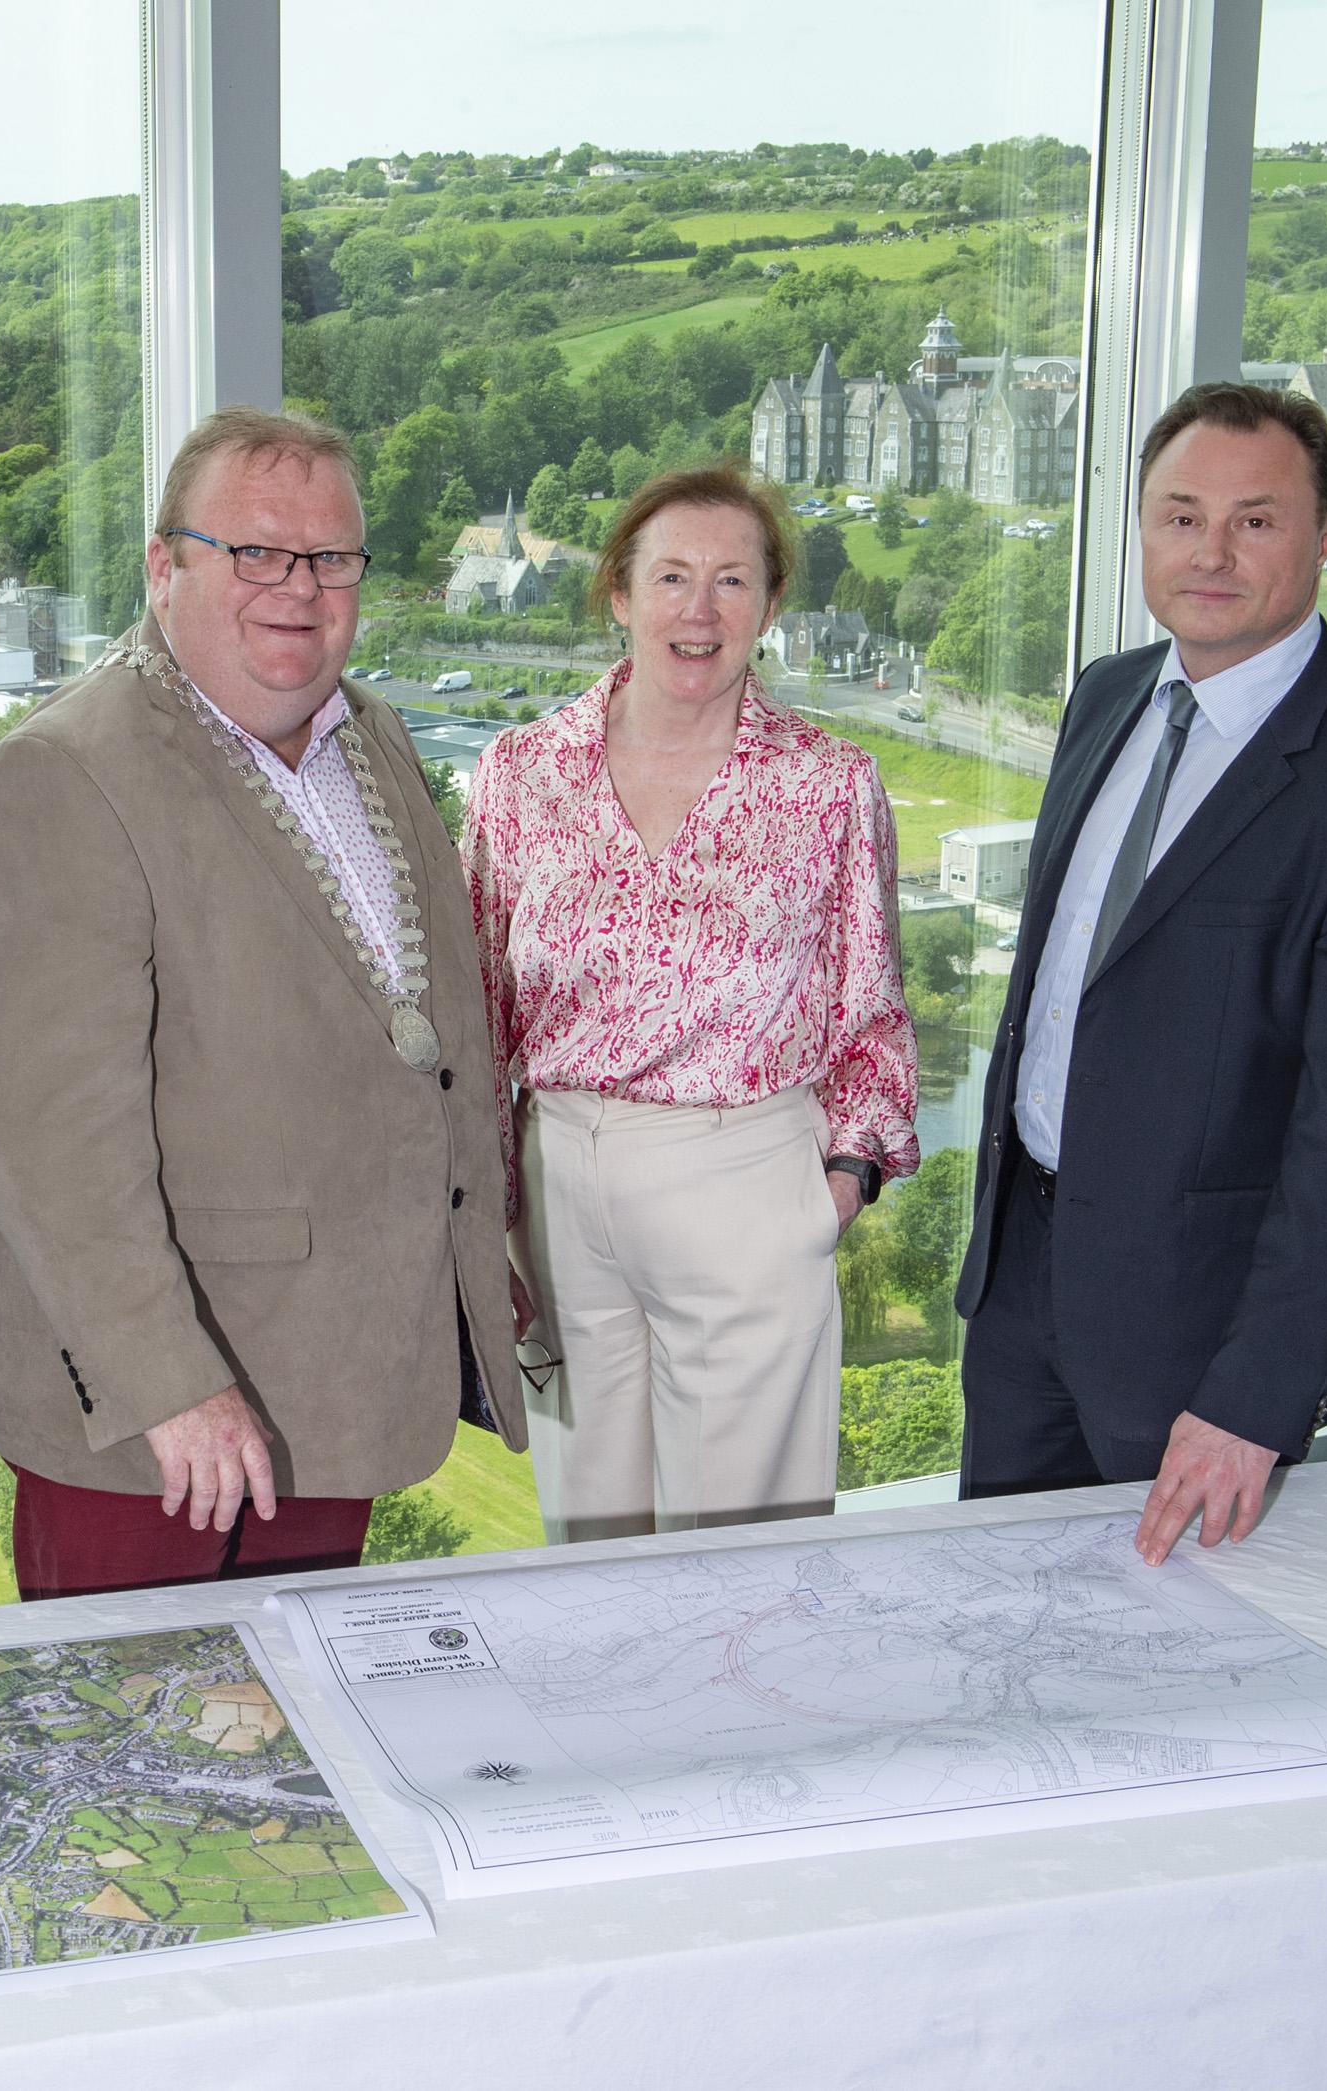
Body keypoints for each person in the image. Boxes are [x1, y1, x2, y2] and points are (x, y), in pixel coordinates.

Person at [0, 405, 524, 1601]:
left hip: (340, 1382)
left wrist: (473, 1254)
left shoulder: (373, 740)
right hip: (160, 1435)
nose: (297, 587)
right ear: (165, 569)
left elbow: (436, 1037)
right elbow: (51, 1141)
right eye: (253, 552)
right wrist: (169, 1386)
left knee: (296, 1754)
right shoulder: (62, 775)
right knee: (129, 1760)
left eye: (331, 557)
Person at [954, 382, 1327, 1563]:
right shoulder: (1106, 699)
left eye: (1256, 520)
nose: (1211, 552)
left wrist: (1256, 1397)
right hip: (1024, 1288)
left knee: (1182, 1691)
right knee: (998, 1629)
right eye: (1180, 515)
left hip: (1198, 1335)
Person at [464, 465, 919, 1544]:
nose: (699, 611)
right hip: (558, 1183)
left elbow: (874, 1012)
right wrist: (483, 1206)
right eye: (671, 577)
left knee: (739, 1556)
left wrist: (840, 1187)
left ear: (769, 606)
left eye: (732, 581)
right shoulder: (521, 774)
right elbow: (479, 1006)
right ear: (619, 594)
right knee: (592, 1536)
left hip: (744, 1183)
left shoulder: (827, 785)